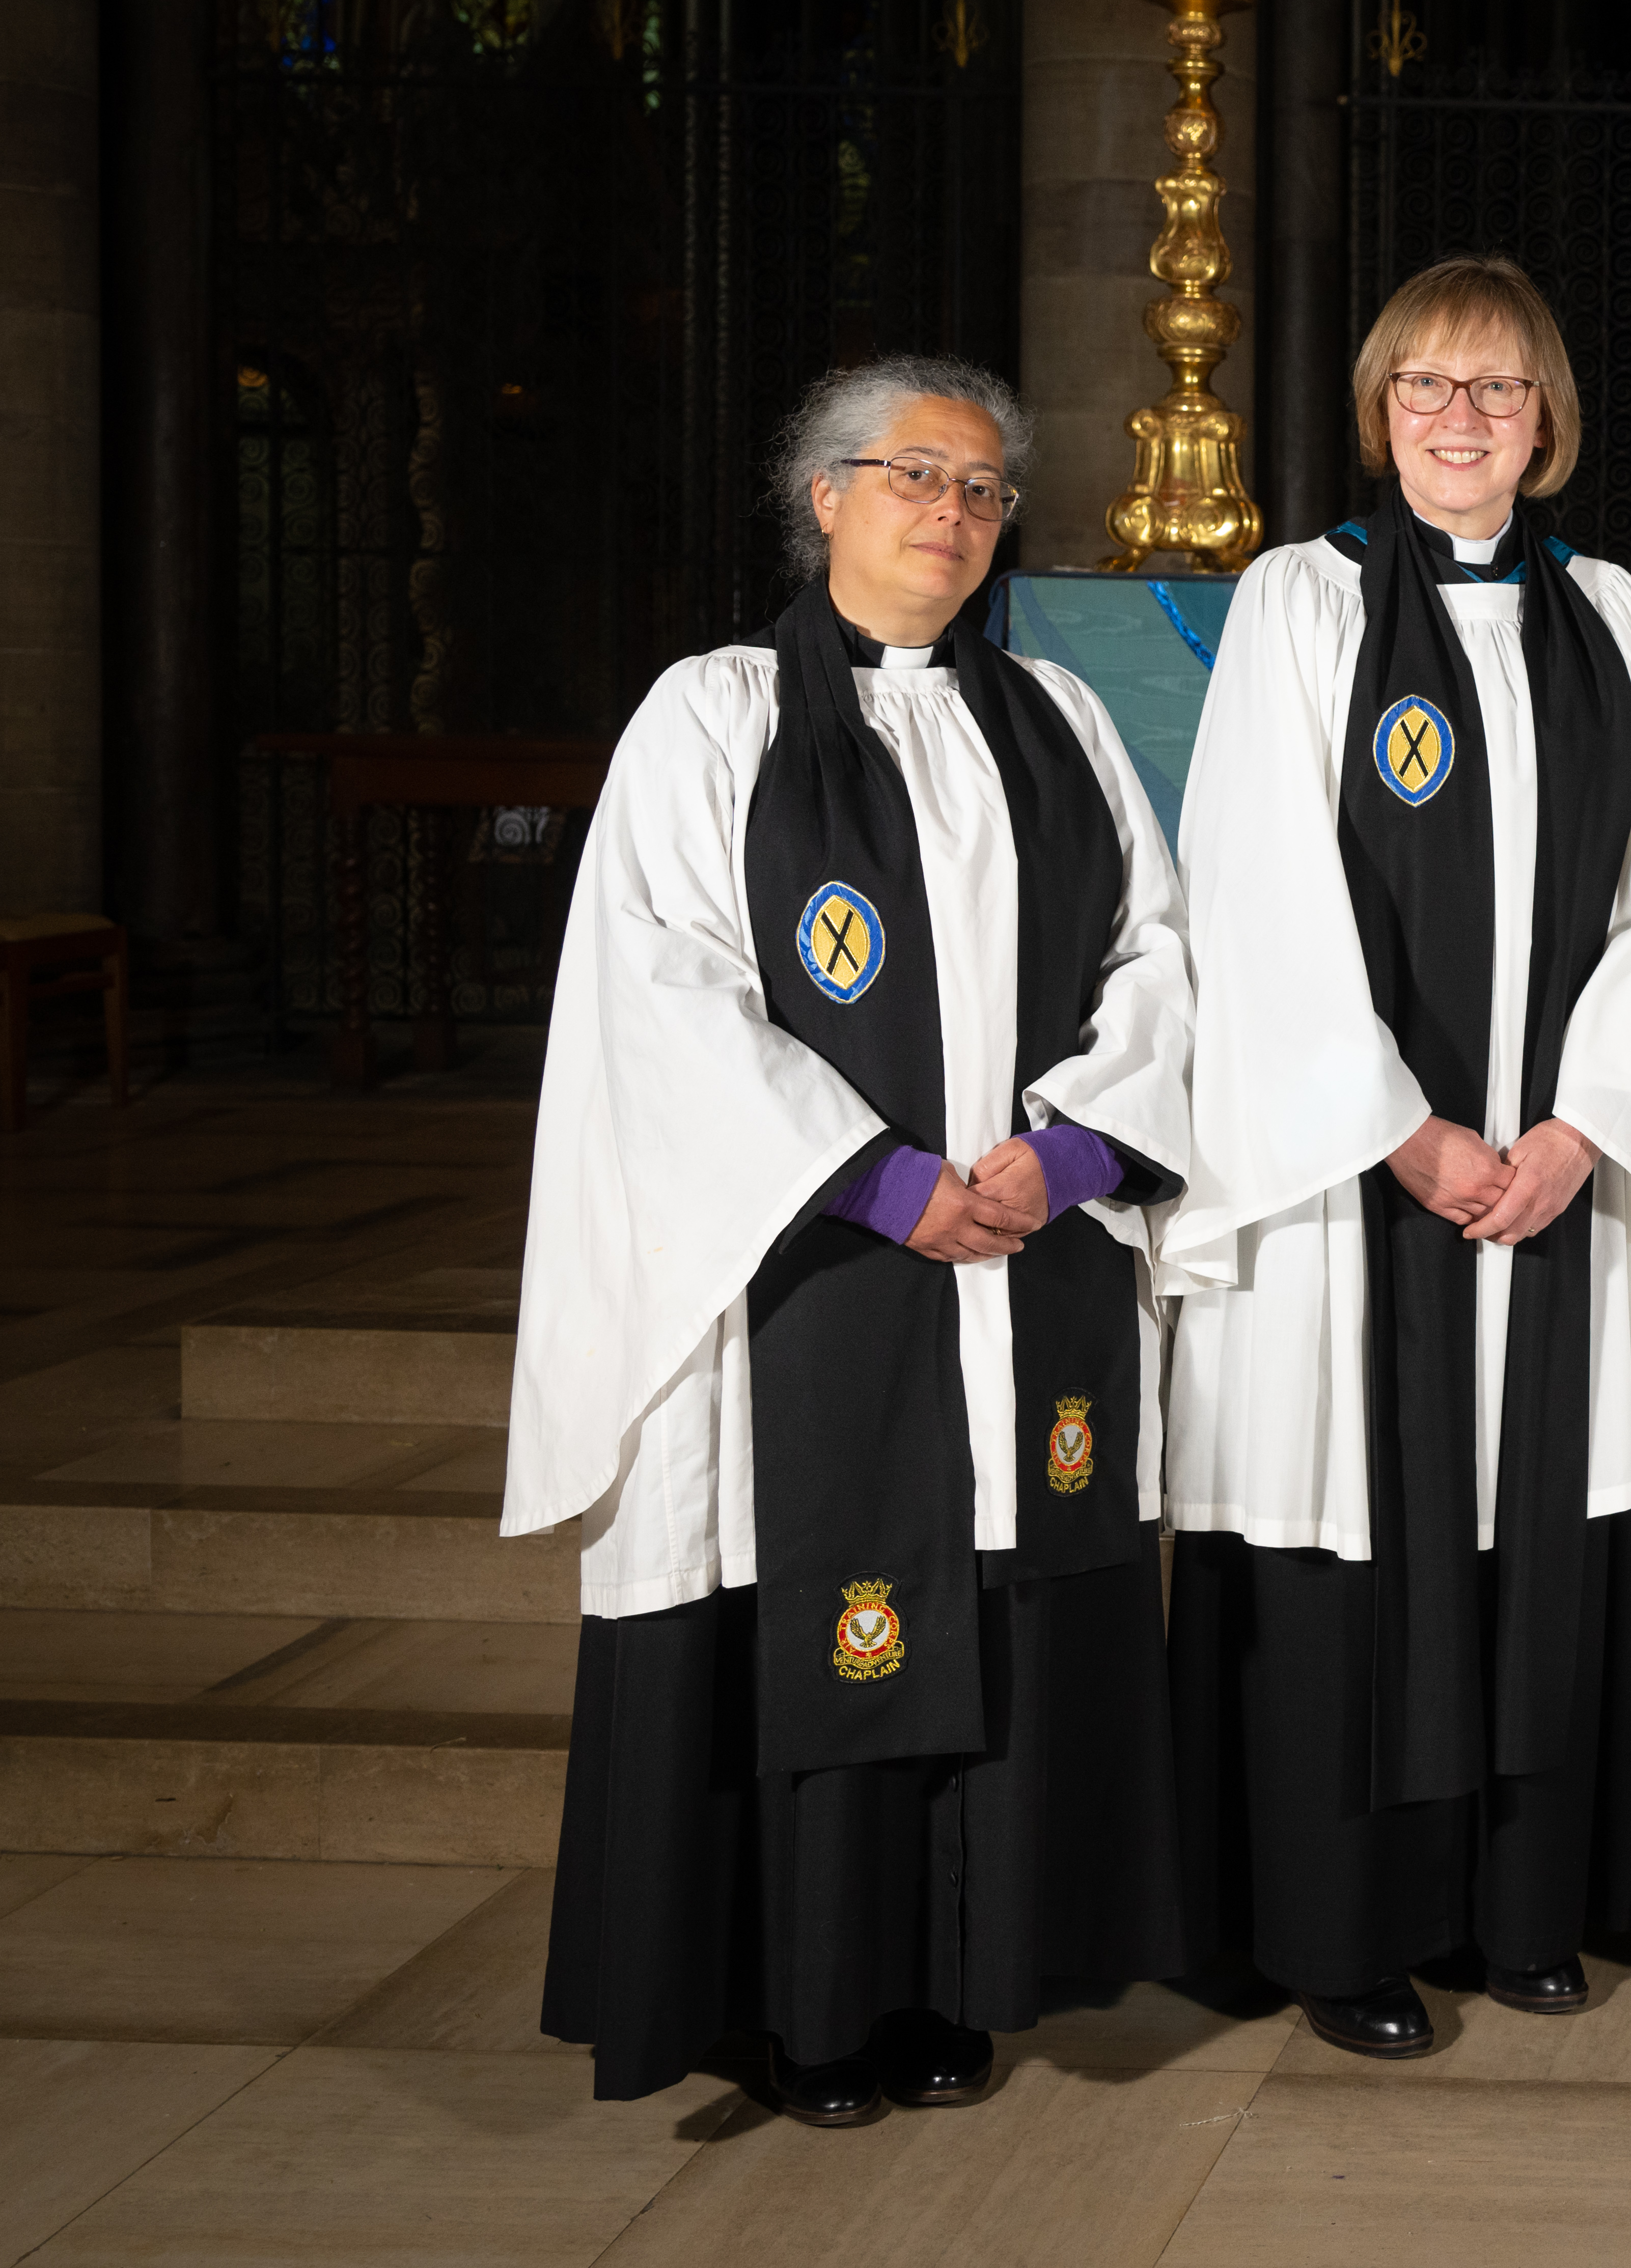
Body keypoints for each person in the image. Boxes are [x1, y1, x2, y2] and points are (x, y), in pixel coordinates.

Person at [507, 357, 1197, 2122]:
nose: (952, 515)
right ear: (823, 498)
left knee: (994, 1582)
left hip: (1027, 1258)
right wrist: (881, 1179)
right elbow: (654, 990)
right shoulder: (714, 719)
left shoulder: (1056, 719)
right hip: (814, 1270)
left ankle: (962, 1980)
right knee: (839, 1595)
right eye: (915, 478)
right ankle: (813, 2007)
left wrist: (1070, 1146)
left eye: (981, 492)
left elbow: (1157, 958)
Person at [1157, 258, 1631, 2060]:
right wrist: (1402, 1129)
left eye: (1495, 390)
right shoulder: (1301, 605)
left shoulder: (1610, 614)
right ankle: (1351, 1931)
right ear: (1380, 413)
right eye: (1423, 389)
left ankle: (1528, 1906)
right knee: (1359, 1535)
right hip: (1360, 1190)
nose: (1459, 422)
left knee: (1536, 1529)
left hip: (1551, 1182)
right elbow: (1256, 882)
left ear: (1547, 422)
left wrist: (1582, 1127)